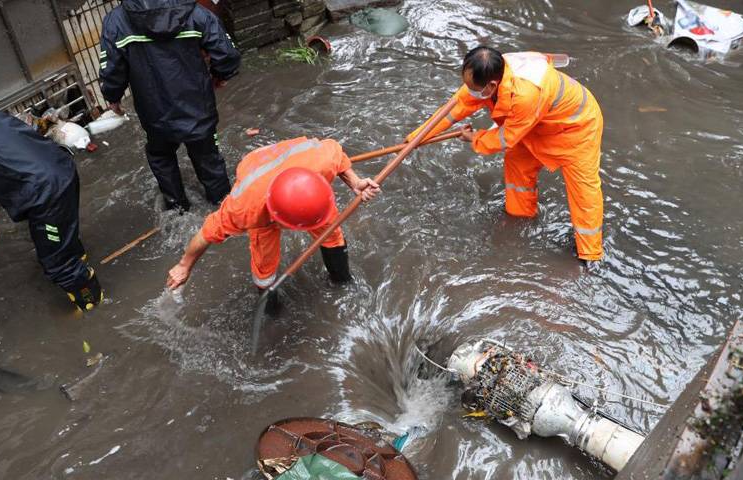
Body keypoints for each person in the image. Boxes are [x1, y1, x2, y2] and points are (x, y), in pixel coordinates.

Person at [409, 46, 605, 263]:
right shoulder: (488, 73)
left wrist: (474, 138)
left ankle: (590, 255)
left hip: (575, 127)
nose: (468, 90)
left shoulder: (526, 94)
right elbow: (454, 109)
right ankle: (520, 218)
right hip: (534, 124)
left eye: (473, 87)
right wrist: (416, 138)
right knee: (517, 166)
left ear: (492, 86)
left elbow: (506, 138)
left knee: (583, 189)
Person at [166, 137, 380, 309]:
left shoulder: (321, 161)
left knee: (332, 233)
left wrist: (356, 182)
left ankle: (342, 280)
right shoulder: (244, 209)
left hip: (298, 169)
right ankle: (272, 310)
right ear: (280, 221)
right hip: (258, 170)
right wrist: (184, 266)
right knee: (264, 268)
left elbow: (337, 153)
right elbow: (205, 233)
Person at [0, 81, 102, 311]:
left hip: (46, 192)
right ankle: (78, 261)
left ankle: (92, 305)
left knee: (57, 264)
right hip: (61, 169)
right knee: (61, 240)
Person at [99, 0, 241, 211]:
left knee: (161, 157)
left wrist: (113, 97)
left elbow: (111, 68)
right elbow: (227, 54)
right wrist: (221, 76)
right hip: (198, 109)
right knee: (208, 158)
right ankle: (225, 210)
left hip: (153, 113)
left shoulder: (116, 20)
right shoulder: (195, 12)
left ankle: (177, 208)